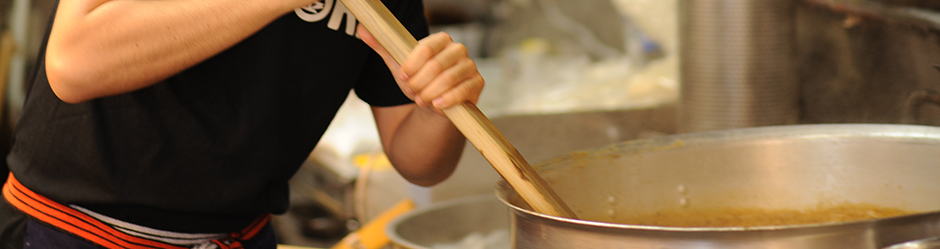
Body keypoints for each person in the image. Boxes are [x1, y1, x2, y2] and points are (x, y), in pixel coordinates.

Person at [0, 0, 484, 247]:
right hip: (76, 231)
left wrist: (438, 102)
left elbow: (418, 161)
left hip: (239, 235)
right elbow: (75, 62)